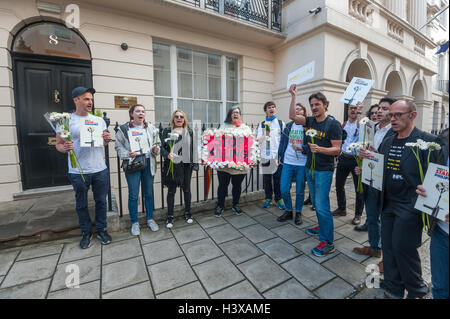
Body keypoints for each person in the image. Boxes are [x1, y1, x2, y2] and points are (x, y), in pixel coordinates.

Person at [375, 100, 437, 299]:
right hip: (387, 202)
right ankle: (393, 286)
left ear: (412, 115)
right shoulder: (388, 139)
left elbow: (438, 176)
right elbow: (382, 166)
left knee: (404, 248)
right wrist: (367, 163)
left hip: (410, 204)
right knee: (389, 246)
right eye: (391, 115)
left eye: (398, 115)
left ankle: (416, 290)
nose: (392, 119)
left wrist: (429, 191)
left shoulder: (427, 141)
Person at [288, 84, 343, 257]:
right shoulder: (310, 121)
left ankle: (328, 242)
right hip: (309, 169)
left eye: (317, 104)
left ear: (325, 105)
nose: (314, 108)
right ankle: (321, 226)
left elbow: (337, 150)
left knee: (322, 205)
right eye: (311, 105)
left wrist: (319, 149)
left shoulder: (333, 124)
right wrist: (293, 95)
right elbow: (292, 116)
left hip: (323, 171)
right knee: (316, 204)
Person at [55, 87, 112, 249]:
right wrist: (64, 148)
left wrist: (106, 139)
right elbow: (58, 144)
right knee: (81, 204)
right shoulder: (66, 121)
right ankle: (86, 232)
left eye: (91, 100)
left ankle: (101, 229)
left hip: (99, 169)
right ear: (76, 100)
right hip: (78, 171)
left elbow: (104, 142)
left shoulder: (98, 120)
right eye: (86, 99)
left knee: (101, 201)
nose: (90, 102)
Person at [354, 98, 395, 265]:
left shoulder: (395, 132)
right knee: (371, 216)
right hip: (370, 178)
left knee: (387, 220)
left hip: (388, 184)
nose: (379, 111)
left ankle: (389, 259)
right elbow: (365, 149)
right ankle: (375, 247)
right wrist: (362, 160)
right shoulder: (372, 129)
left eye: (384, 109)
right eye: (379, 108)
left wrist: (377, 156)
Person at [115, 104, 160, 236]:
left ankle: (150, 219)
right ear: (131, 114)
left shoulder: (151, 128)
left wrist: (155, 149)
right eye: (138, 111)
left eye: (143, 111)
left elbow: (157, 143)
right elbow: (118, 147)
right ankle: (135, 222)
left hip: (148, 164)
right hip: (133, 164)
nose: (141, 113)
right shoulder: (123, 129)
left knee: (148, 193)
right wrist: (128, 153)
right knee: (133, 195)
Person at [416, 127, 449, 299]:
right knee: (440, 287)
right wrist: (427, 189)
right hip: (441, 230)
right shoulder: (444, 138)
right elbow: (436, 174)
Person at [160, 110, 198, 228]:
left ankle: (188, 213)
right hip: (172, 164)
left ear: (184, 119)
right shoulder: (167, 131)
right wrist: (167, 154)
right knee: (171, 191)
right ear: (173, 118)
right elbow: (160, 147)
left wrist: (195, 163)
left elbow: (194, 148)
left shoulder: (189, 131)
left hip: (186, 165)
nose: (179, 118)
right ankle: (170, 216)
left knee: (186, 189)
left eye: (181, 116)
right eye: (176, 116)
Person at [214, 106, 251, 217]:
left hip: (239, 164)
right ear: (230, 114)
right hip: (224, 164)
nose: (235, 114)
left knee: (237, 185)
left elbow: (250, 143)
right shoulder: (224, 126)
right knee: (222, 185)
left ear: (240, 115)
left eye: (237, 112)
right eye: (233, 112)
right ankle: (220, 206)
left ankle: (235, 204)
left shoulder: (245, 128)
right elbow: (217, 142)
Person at [276, 103, 308, 225]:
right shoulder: (289, 126)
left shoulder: (308, 127)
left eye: (299, 109)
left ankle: (298, 212)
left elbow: (311, 146)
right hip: (287, 162)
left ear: (304, 112)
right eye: (295, 110)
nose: (297, 112)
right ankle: (289, 210)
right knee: (284, 188)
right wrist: (280, 156)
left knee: (300, 190)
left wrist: (301, 148)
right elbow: (283, 142)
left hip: (302, 163)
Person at [332, 103, 365, 225]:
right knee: (339, 185)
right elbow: (340, 141)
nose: (353, 110)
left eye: (355, 108)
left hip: (356, 159)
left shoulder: (361, 123)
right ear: (348, 110)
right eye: (351, 108)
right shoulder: (343, 124)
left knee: (358, 189)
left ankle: (358, 214)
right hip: (343, 157)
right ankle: (342, 209)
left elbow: (364, 134)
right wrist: (337, 156)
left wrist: (360, 113)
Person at [257, 101, 285, 210]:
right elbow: (258, 140)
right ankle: (268, 198)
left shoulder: (281, 123)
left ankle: (279, 198)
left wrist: (281, 157)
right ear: (266, 110)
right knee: (267, 179)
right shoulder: (262, 124)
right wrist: (265, 135)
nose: (271, 109)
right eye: (269, 107)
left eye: (273, 107)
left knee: (278, 179)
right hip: (265, 156)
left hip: (277, 156)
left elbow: (283, 141)